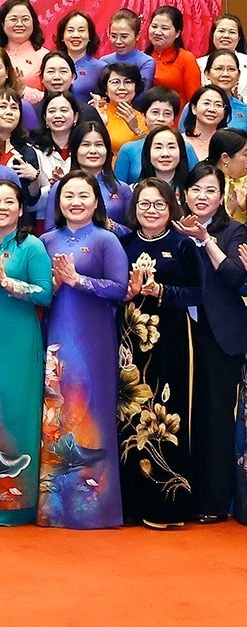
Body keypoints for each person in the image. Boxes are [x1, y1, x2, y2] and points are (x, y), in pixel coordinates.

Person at [38, 170, 130, 529]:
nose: (75, 202)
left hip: (94, 338)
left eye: (83, 195)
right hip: (58, 335)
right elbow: (43, 290)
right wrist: (55, 283)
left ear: (96, 201)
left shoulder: (107, 240)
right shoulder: (46, 240)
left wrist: (79, 281)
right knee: (57, 408)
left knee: (93, 408)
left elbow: (119, 289)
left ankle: (98, 507)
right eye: (67, 196)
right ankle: (56, 506)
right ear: (57, 202)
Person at [118, 178, 202, 528]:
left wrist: (160, 290)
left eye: (158, 205)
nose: (151, 211)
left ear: (171, 209)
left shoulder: (183, 246)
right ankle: (131, 504)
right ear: (134, 209)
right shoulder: (121, 243)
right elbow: (111, 287)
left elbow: (197, 293)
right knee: (130, 416)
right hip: (129, 342)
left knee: (167, 416)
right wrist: (129, 290)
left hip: (170, 340)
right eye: (144, 204)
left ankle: (168, 505)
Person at [0, 179, 53, 525]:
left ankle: (16, 503)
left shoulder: (32, 246)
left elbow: (44, 294)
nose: (2, 207)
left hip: (20, 338)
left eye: (10, 201)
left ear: (21, 210)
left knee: (19, 412)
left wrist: (8, 283)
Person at [171, 165, 247, 524]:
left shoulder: (234, 230)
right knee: (182, 415)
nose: (202, 197)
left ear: (221, 196)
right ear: (184, 194)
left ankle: (214, 502)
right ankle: (179, 495)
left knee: (216, 417)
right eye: (196, 189)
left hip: (220, 334)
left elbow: (234, 276)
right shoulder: (172, 230)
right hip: (178, 332)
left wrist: (205, 240)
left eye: (211, 191)